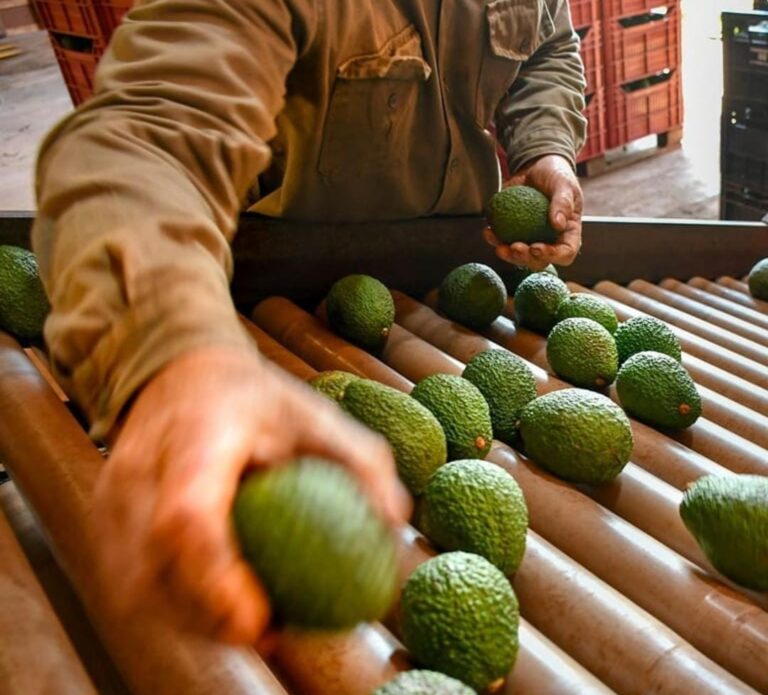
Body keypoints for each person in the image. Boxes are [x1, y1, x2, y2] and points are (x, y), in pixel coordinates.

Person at [33, 0, 586, 643]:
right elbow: (141, 142)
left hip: (456, 286)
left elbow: (549, 47)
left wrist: (545, 146)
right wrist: (176, 351)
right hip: (278, 306)